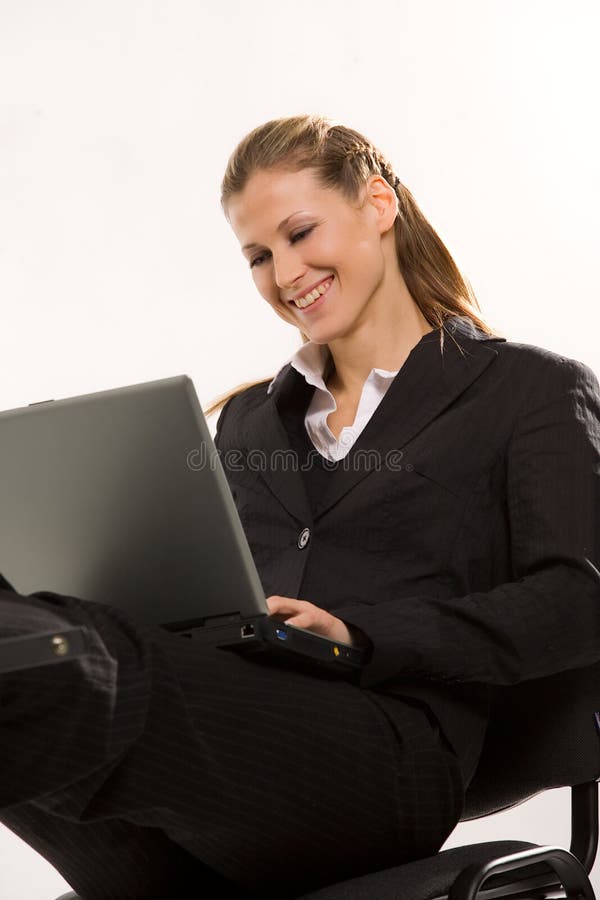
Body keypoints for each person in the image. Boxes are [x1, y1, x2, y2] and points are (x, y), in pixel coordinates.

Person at [1, 113, 599, 900]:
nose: (284, 274)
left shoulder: (530, 392)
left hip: (383, 767)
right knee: (32, 636)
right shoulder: (247, 423)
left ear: (378, 204)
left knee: (104, 666)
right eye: (258, 255)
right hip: (211, 798)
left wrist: (362, 635)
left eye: (299, 233)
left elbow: (579, 601)